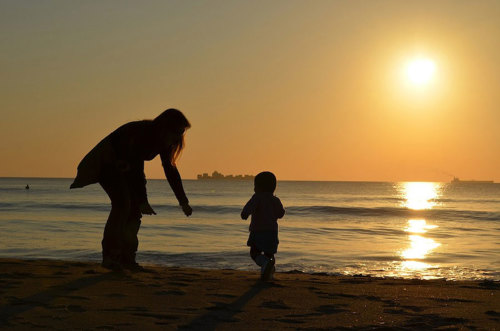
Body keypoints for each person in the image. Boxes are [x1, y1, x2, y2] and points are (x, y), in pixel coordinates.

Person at [70, 109, 192, 271]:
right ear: (165, 127)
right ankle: (110, 256)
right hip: (107, 163)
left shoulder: (164, 142)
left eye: (182, 132)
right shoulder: (142, 134)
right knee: (122, 205)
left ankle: (127, 258)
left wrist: (183, 201)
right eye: (177, 131)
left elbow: (170, 171)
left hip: (124, 167)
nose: (179, 137)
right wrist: (143, 200)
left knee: (133, 211)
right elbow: (135, 170)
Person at [241, 171, 285, 280]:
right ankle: (268, 272)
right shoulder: (275, 200)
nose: (254, 189)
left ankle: (265, 264)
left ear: (258, 187)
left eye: (255, 186)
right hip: (272, 233)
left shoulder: (256, 197)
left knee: (254, 252)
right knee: (269, 253)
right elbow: (281, 214)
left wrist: (245, 214)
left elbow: (248, 208)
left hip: (258, 231)